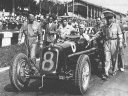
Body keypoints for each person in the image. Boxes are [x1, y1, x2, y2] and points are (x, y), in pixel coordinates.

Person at [101, 11, 123, 80]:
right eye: (107, 18)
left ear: (113, 18)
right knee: (107, 58)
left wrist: (120, 43)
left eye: (110, 18)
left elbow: (120, 34)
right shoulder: (104, 27)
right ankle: (106, 73)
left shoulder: (116, 25)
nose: (109, 20)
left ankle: (114, 70)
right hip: (107, 42)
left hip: (114, 42)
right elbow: (100, 34)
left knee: (114, 58)